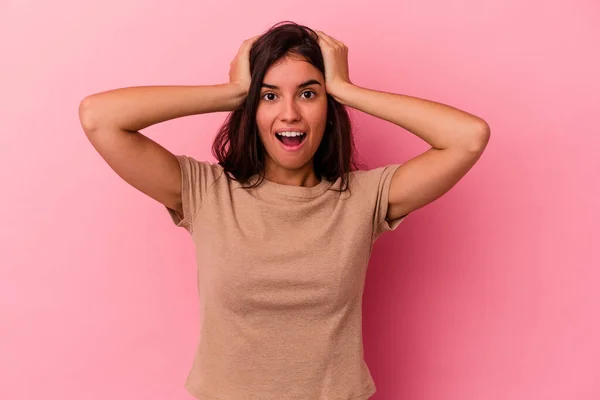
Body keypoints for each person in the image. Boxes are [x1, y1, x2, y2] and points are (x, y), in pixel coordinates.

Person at [78, 21, 490, 400]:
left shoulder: (364, 199)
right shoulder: (206, 192)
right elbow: (99, 117)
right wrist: (233, 92)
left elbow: (468, 137)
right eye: (269, 96)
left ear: (328, 108)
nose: (289, 113)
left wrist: (347, 89)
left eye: (308, 94)